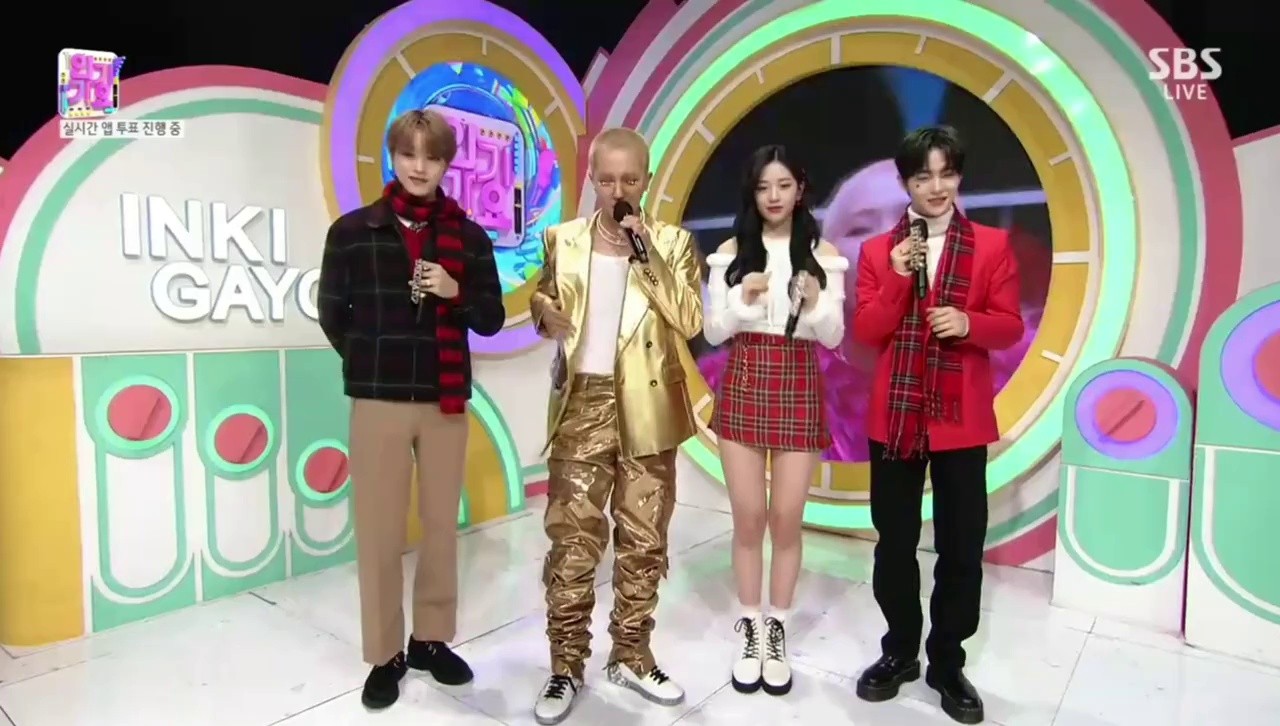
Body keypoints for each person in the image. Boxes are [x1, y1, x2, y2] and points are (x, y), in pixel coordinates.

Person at [317, 108, 505, 710]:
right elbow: (332, 314)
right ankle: (385, 654)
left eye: (432, 156)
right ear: (392, 157)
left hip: (445, 401)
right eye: (408, 154)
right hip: (379, 399)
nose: (419, 167)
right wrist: (370, 360)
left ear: (447, 163)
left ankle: (429, 640)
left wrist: (455, 292)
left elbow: (491, 317)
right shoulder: (354, 232)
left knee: (441, 527)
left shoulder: (468, 238)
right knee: (378, 531)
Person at [527, 127, 702, 725]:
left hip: (648, 405)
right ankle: (565, 664)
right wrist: (543, 313)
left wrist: (646, 254)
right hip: (582, 403)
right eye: (606, 179)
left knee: (644, 540)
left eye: (630, 179)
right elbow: (544, 302)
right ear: (592, 180)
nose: (618, 190)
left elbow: (689, 319)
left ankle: (631, 653)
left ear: (646, 180)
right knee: (572, 541)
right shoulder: (563, 239)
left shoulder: (672, 243)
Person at [851, 126, 1024, 725]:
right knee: (895, 542)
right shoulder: (879, 251)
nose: (936, 186)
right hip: (895, 418)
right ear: (906, 182)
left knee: (961, 545)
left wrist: (970, 323)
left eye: (946, 173)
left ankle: (947, 662)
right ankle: (899, 650)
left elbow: (1010, 326)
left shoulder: (993, 246)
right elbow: (867, 332)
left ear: (959, 176)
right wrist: (900, 276)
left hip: (961, 418)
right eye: (923, 175)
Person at [702, 145, 847, 696]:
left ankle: (777, 627)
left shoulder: (823, 254)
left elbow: (833, 336)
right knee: (749, 516)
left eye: (784, 185)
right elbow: (713, 331)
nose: (774, 196)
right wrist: (742, 301)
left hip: (798, 383)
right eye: (764, 187)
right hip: (744, 381)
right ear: (752, 192)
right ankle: (749, 625)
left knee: (787, 517)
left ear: (800, 189)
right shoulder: (731, 252)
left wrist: (814, 304)